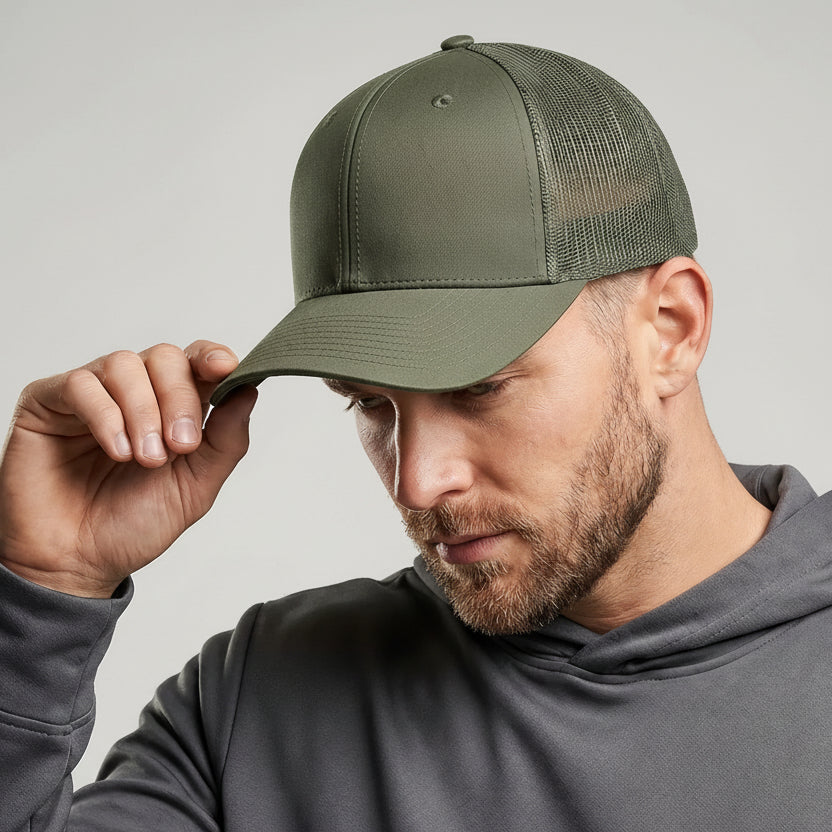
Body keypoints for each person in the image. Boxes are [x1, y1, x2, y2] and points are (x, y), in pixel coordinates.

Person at [1, 34, 830, 832]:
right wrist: (43, 597)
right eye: (369, 403)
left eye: (481, 388)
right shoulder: (260, 700)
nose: (416, 482)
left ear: (672, 330)